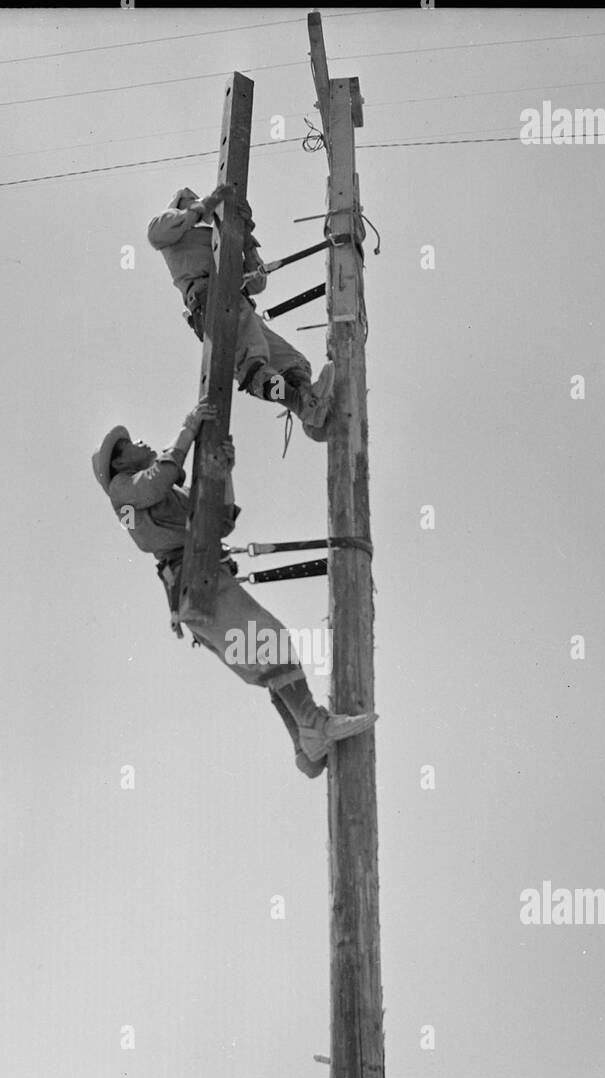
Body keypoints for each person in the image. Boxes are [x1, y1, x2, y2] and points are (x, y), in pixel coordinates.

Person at [91, 399, 377, 777]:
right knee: (270, 642)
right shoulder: (123, 491)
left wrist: (223, 472)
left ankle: (304, 745)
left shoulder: (159, 496)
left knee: (264, 655)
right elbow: (160, 478)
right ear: (118, 465)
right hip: (196, 579)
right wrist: (189, 428)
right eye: (125, 445)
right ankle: (313, 726)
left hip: (204, 578)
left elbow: (218, 521)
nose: (137, 441)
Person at [147, 186, 334, 442]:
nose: (199, 204)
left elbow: (256, 284)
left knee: (293, 363)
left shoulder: (219, 233)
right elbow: (158, 234)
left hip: (238, 303)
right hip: (211, 299)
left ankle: (306, 399)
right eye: (191, 201)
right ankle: (298, 405)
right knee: (252, 364)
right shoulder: (168, 231)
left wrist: (245, 237)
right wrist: (205, 205)